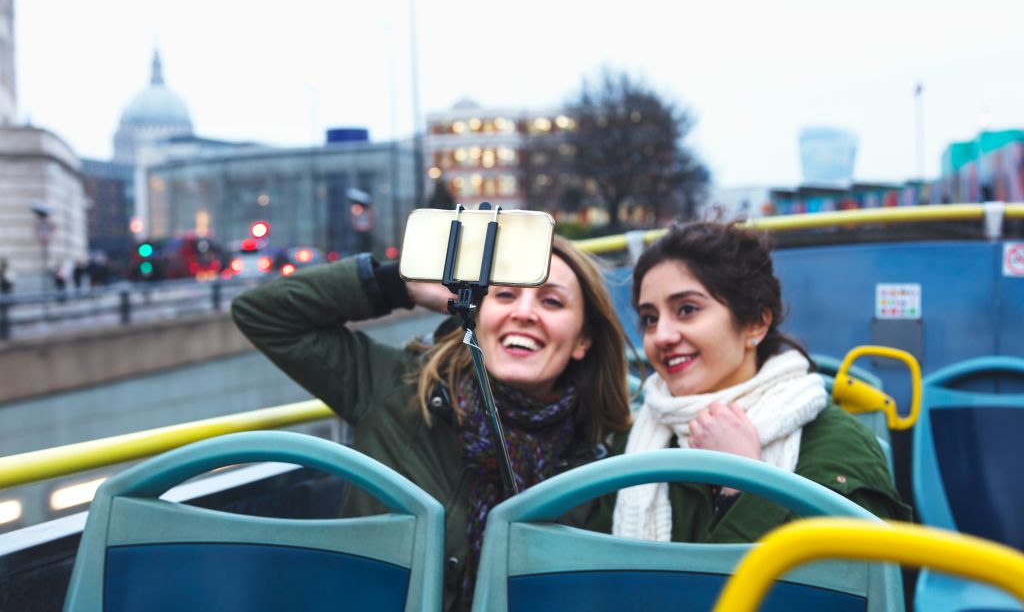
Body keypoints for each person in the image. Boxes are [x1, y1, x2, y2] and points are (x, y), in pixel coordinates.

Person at [231, 236, 632, 610]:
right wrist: (398, 285)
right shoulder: (395, 385)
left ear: (583, 340)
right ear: (478, 313)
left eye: (552, 302)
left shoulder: (601, 452)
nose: (524, 313)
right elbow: (262, 314)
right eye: (505, 294)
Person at [607, 220, 909, 543]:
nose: (662, 336)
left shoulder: (838, 448)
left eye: (687, 309)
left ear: (755, 324)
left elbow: (866, 572)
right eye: (650, 319)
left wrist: (743, 483)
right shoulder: (632, 443)